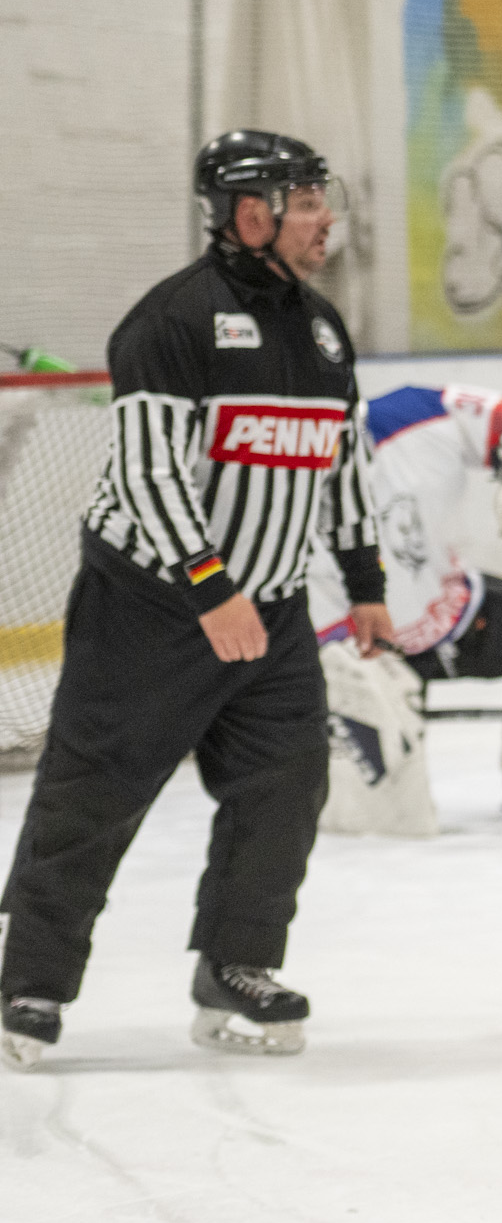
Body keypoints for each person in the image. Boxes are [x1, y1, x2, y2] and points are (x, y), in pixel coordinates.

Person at [0, 132, 393, 1070]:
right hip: (154, 604)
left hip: (276, 609)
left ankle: (238, 965)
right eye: (306, 202)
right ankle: (30, 979)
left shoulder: (322, 328)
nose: (325, 217)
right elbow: (145, 472)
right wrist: (209, 586)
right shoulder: (171, 321)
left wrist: (368, 585)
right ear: (249, 213)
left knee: (285, 785)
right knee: (95, 791)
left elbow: (342, 463)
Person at [305, 383, 502, 836]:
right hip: (350, 654)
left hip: (454, 618)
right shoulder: (261, 482)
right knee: (383, 822)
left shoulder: (411, 415)